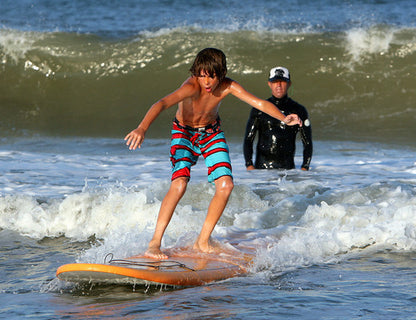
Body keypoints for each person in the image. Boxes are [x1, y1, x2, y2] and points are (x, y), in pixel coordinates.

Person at [125, 48, 302, 260]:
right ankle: (154, 244)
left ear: (221, 74)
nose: (207, 82)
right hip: (184, 132)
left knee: (226, 185)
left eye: (213, 76)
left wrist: (283, 118)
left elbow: (260, 103)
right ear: (196, 73)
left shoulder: (228, 86)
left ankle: (203, 241)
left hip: (211, 133)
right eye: (202, 75)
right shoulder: (191, 86)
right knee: (179, 183)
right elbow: (161, 103)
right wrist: (142, 128)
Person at [243, 66, 312, 171]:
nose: (279, 85)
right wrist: (249, 165)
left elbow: (307, 142)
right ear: (269, 84)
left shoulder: (298, 110)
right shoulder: (259, 109)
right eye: (275, 81)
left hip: (287, 171)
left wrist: (305, 167)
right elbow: (248, 139)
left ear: (289, 84)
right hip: (261, 170)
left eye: (283, 81)